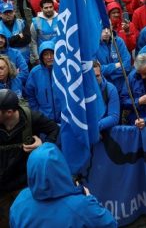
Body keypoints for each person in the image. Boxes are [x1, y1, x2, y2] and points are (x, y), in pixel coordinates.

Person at [9, 143, 117, 228]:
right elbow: (111, 224)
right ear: (61, 166)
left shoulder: (20, 201)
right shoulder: (82, 207)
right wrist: (90, 198)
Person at [0, 89, 59, 228]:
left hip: (24, 185)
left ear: (9, 112)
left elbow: (54, 129)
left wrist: (43, 146)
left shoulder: (31, 118)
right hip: (1, 187)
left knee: (26, 222)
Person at [25, 41, 60, 122]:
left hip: (63, 117)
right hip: (44, 119)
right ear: (41, 57)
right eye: (45, 54)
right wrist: (37, 112)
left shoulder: (63, 70)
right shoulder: (35, 72)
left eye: (52, 53)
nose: (49, 57)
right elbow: (30, 95)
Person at [96, 27, 131, 94]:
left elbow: (127, 66)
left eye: (108, 28)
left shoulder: (119, 41)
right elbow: (96, 71)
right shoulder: (93, 45)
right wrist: (115, 65)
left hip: (122, 87)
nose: (106, 31)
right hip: (103, 89)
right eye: (103, 28)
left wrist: (107, 71)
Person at [29, 0, 58, 65]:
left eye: (51, 7)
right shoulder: (35, 22)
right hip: (43, 56)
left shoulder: (60, 19)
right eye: (46, 8)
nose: (49, 9)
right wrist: (37, 58)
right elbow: (33, 41)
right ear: (41, 9)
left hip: (58, 54)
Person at [93, 61, 120, 132]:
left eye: (97, 76)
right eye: (92, 76)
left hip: (104, 132)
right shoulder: (80, 90)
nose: (95, 79)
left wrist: (95, 127)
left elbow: (114, 117)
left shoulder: (110, 89)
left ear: (101, 74)